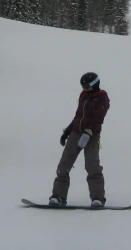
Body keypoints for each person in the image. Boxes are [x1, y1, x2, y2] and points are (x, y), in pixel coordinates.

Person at [49, 72, 110, 208]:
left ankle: (98, 198)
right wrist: (67, 131)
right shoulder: (83, 96)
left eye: (87, 86)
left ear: (94, 85)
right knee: (64, 165)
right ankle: (59, 196)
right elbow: (78, 116)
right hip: (76, 133)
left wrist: (89, 132)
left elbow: (99, 118)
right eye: (82, 86)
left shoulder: (102, 98)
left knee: (92, 166)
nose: (84, 89)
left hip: (92, 135)